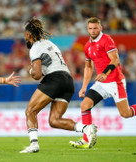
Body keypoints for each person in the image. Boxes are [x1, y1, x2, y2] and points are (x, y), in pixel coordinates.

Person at [69, 17, 136, 149]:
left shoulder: (106, 40)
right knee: (85, 105)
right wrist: (84, 87)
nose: (93, 30)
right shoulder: (87, 46)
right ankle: (86, 139)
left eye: (95, 28)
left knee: (125, 113)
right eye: (90, 28)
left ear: (100, 28)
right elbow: (88, 67)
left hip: (115, 81)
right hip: (101, 83)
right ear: (87, 29)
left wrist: (105, 73)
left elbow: (115, 60)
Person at [19, 17, 97, 154]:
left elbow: (37, 75)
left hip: (54, 79)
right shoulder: (50, 43)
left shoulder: (35, 47)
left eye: (25, 35)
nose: (25, 38)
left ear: (29, 35)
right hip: (67, 80)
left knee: (30, 111)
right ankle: (86, 128)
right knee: (54, 120)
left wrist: (30, 71)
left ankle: (34, 144)